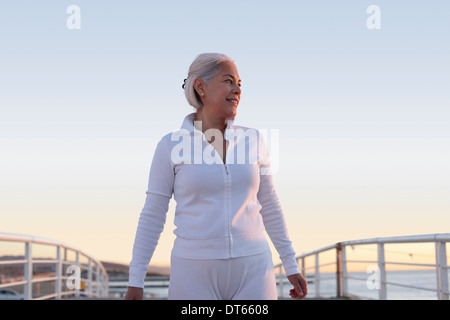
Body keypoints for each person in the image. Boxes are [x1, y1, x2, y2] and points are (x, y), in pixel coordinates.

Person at [125, 53, 307, 300]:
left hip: (254, 269)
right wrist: (136, 279)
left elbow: (270, 204)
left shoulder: (254, 139)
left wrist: (290, 263)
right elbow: (153, 214)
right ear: (201, 87)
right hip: (193, 272)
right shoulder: (170, 146)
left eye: (240, 84)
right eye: (229, 81)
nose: (237, 90)